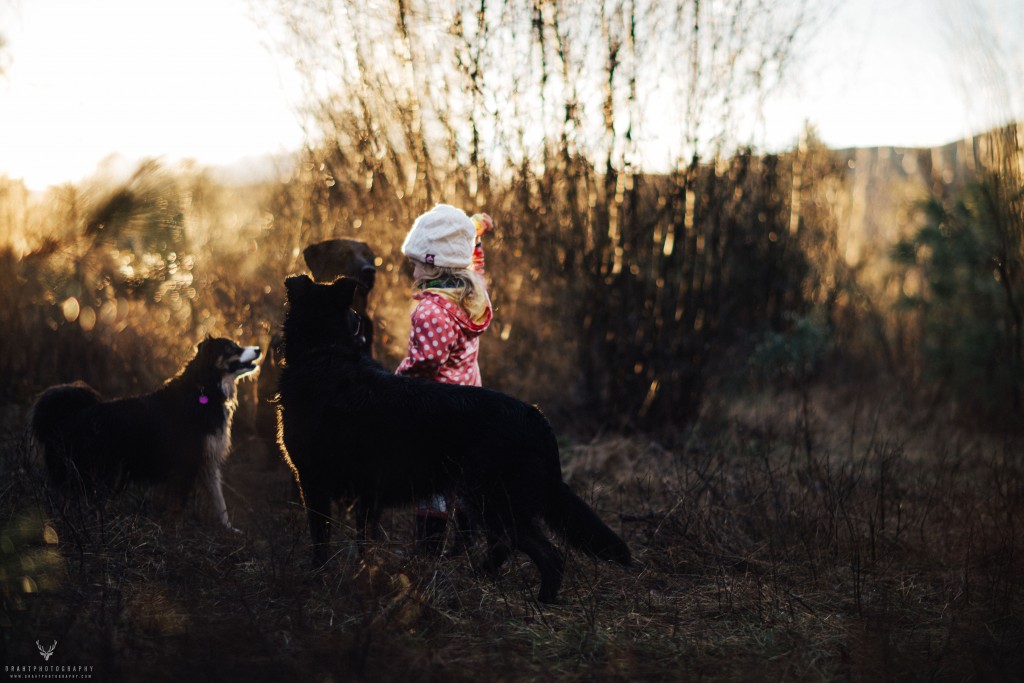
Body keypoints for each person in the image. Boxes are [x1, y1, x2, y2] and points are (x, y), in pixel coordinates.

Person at [396, 204, 494, 554]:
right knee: (463, 477)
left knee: (433, 481)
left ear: (434, 264)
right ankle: (465, 544)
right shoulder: (471, 294)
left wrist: (397, 379)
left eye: (418, 260)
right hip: (470, 402)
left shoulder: (431, 311)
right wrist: (475, 234)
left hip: (437, 411)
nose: (412, 266)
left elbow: (427, 360)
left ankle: (428, 549)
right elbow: (473, 264)